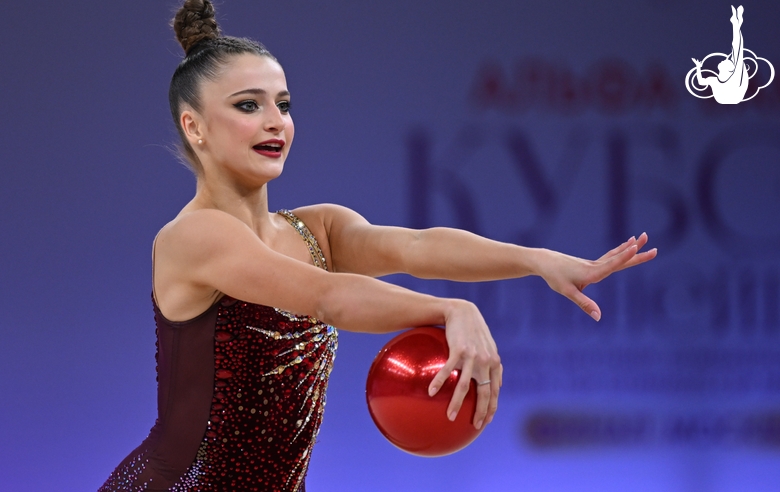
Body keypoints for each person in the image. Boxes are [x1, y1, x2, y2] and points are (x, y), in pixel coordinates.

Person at [99, 1, 656, 490]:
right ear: (194, 128)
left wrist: (534, 261)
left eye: (284, 104)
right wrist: (447, 308)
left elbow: (416, 246)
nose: (276, 123)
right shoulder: (196, 235)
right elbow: (324, 297)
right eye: (249, 106)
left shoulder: (313, 230)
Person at [692, 5, 748, 104]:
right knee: (737, 51)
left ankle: (736, 24)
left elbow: (738, 49)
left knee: (737, 50)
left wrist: (736, 26)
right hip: (728, 98)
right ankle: (736, 24)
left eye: (726, 61)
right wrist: (698, 67)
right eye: (726, 60)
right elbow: (701, 82)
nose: (724, 59)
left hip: (732, 96)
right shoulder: (715, 80)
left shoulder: (733, 77)